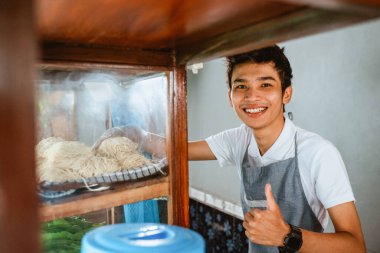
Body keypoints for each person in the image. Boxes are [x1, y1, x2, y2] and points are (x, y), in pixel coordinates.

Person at [94, 45, 366, 253]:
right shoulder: (240, 140)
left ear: (286, 94)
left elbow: (355, 245)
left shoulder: (319, 153)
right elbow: (172, 149)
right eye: (241, 86)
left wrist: (286, 236)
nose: (252, 96)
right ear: (230, 97)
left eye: (266, 84)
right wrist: (133, 134)